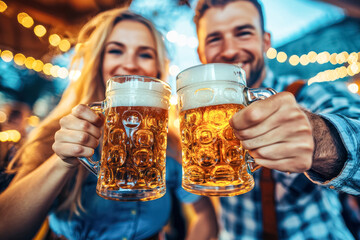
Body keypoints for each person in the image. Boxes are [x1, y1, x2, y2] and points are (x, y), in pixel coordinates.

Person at [0, 8, 218, 240]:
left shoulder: (170, 142)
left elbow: (205, 217)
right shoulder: (56, 134)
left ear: (157, 68)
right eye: (116, 51)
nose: (130, 64)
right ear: (98, 62)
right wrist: (62, 162)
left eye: (145, 54)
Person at [194, 0, 360, 239]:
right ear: (201, 53)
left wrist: (322, 139)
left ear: (265, 41)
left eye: (243, 33)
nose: (229, 50)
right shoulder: (202, 117)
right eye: (214, 39)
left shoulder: (304, 94)